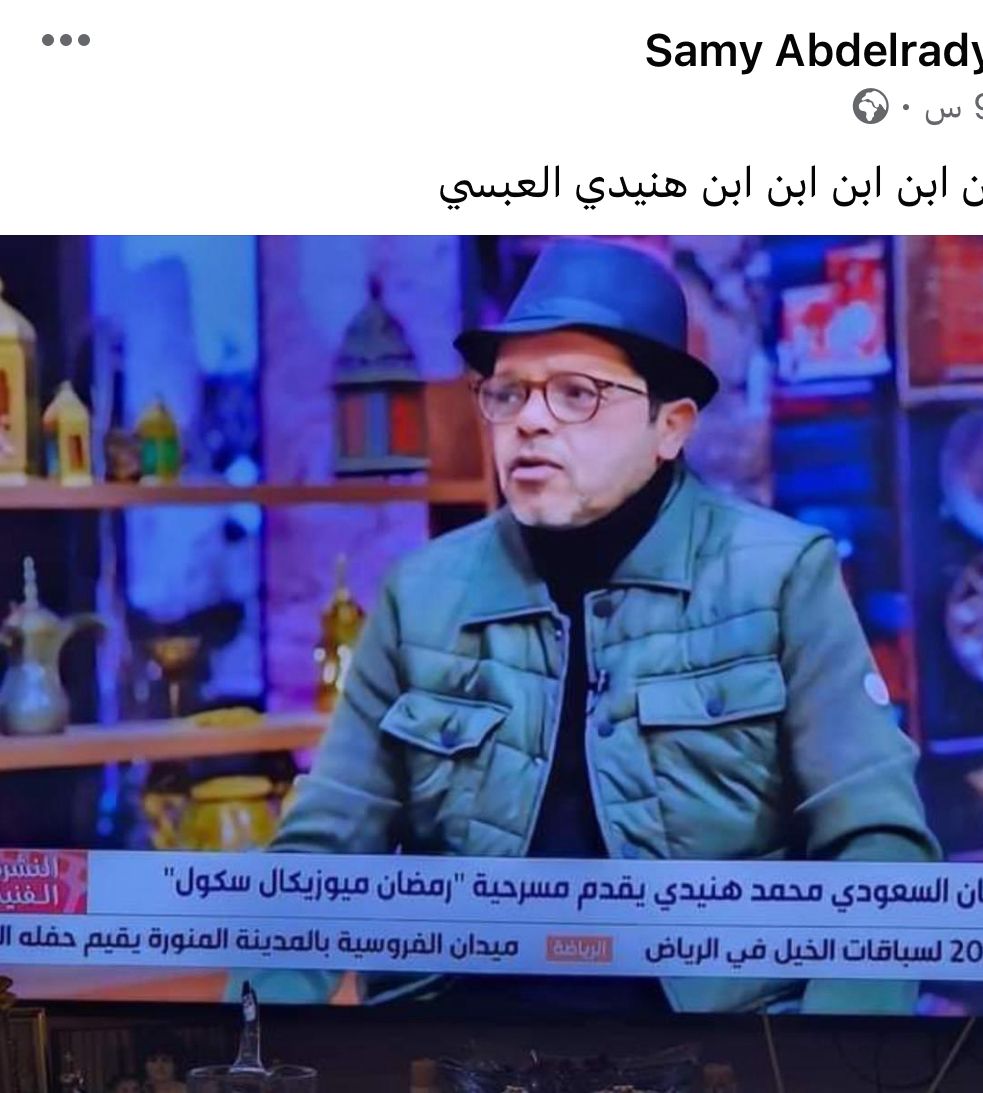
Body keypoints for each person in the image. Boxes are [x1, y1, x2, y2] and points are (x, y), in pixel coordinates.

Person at [243, 238, 940, 1014]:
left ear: (669, 426)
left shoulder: (778, 576)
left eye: (576, 394)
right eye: (508, 393)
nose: (529, 423)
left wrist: (828, 1059)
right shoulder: (423, 594)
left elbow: (878, 844)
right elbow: (323, 852)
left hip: (717, 1046)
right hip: (456, 1046)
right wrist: (251, 1047)